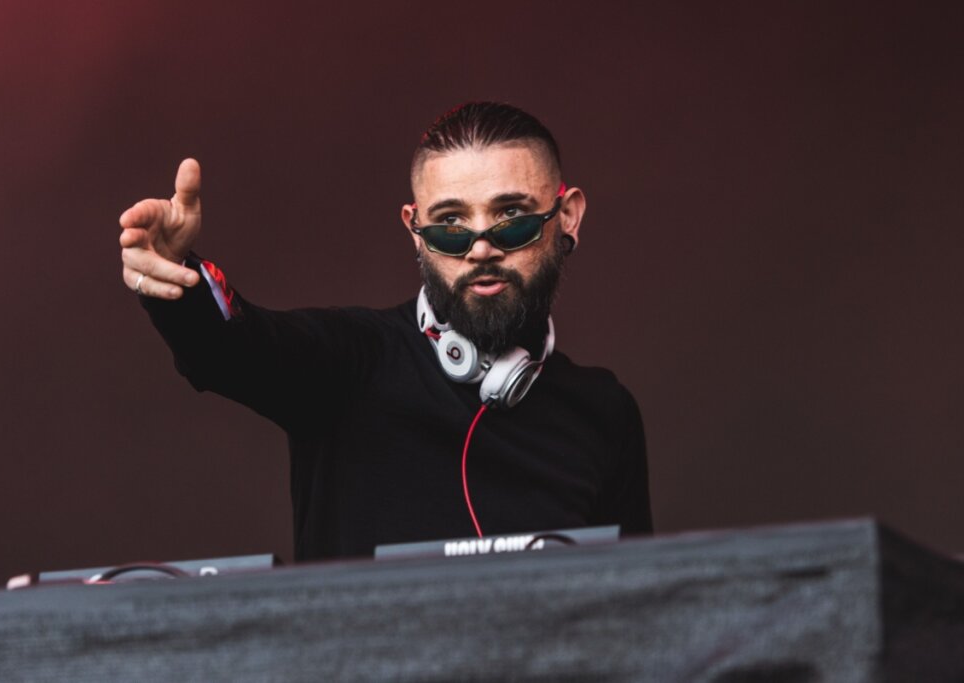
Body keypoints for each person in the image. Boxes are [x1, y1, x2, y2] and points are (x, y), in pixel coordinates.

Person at [119, 102, 652, 561]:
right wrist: (178, 278)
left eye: (511, 217)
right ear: (415, 232)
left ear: (568, 218)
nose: (480, 248)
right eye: (449, 225)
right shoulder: (351, 363)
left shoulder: (604, 411)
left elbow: (638, 615)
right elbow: (233, 350)